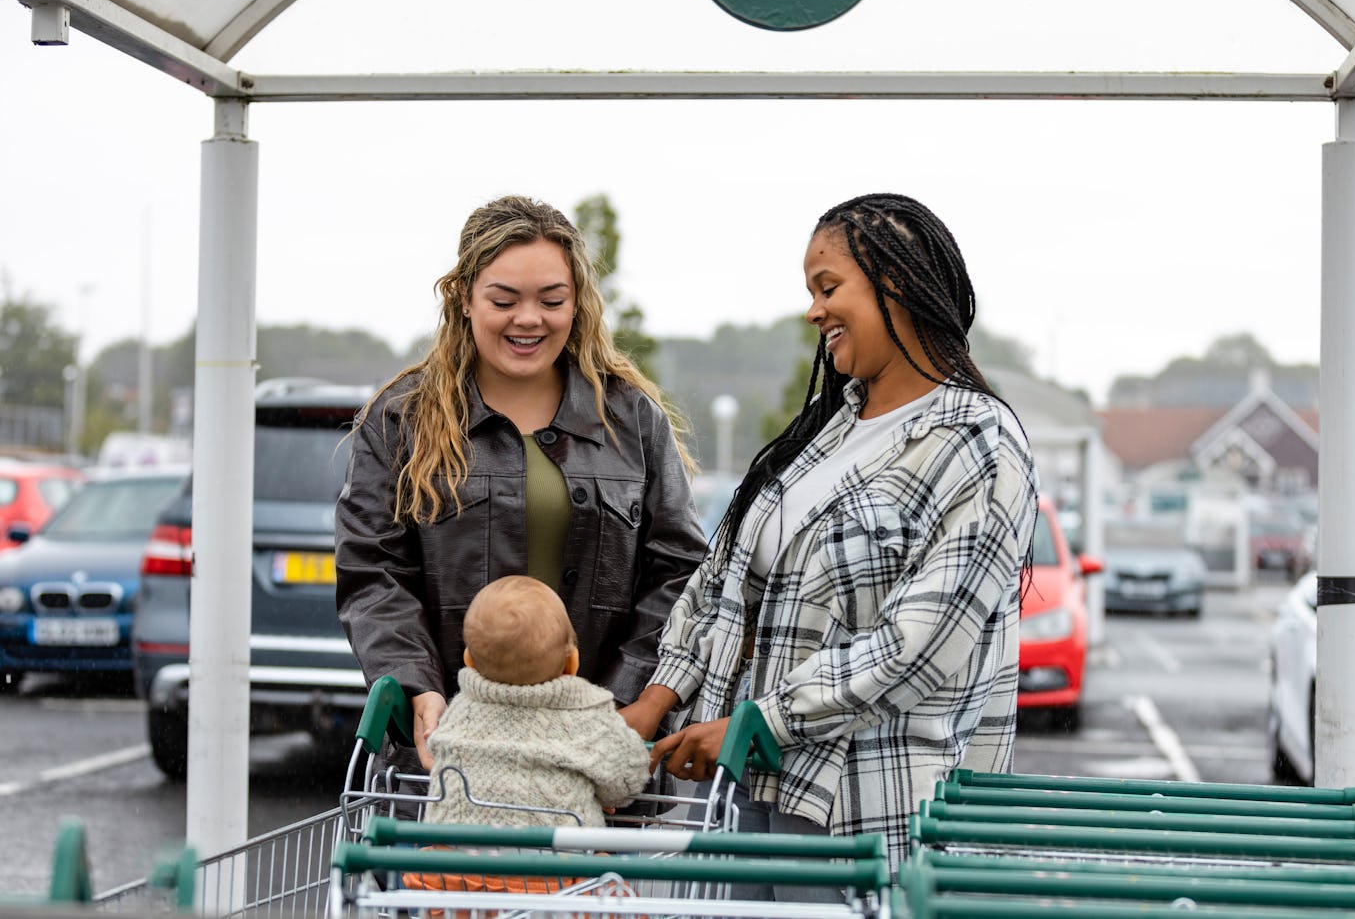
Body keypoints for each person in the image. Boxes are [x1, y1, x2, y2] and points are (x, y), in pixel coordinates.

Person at [623, 192, 1039, 878]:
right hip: (752, 787)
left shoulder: (980, 444)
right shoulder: (824, 430)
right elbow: (723, 581)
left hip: (874, 812)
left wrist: (766, 720)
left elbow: (921, 645)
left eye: (828, 287)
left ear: (896, 283)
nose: (813, 310)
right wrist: (657, 699)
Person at [335, 195, 708, 773]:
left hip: (597, 754)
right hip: (451, 754)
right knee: (451, 872)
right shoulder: (399, 419)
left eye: (552, 300)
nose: (529, 319)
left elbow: (678, 572)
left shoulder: (631, 418)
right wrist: (417, 688)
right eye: (504, 300)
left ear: (577, 302)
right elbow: (372, 574)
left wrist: (623, 701)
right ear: (462, 297)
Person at [424, 576, 652, 828]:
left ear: (469, 660)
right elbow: (627, 781)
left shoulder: (460, 709)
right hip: (556, 858)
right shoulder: (588, 711)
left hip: (457, 856)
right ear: (572, 663)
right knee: (603, 862)